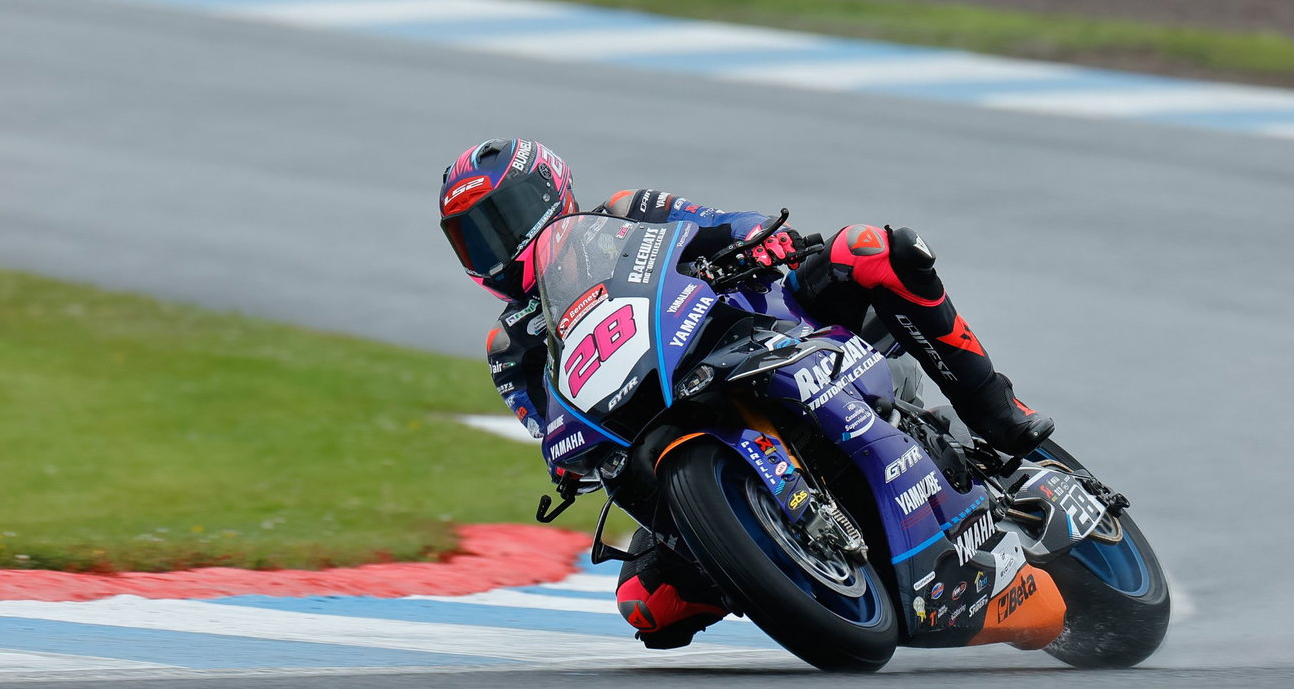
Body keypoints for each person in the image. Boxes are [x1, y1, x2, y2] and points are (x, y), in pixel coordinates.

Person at [440, 138, 1053, 649]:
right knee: (648, 605)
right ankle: (780, 562)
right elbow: (545, 426)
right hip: (660, 422)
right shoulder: (510, 348)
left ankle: (995, 411)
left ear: (552, 191)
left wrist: (761, 239)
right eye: (478, 238)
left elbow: (722, 224)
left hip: (760, 324)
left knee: (871, 250)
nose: (501, 243)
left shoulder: (627, 212)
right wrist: (568, 461)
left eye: (507, 216)